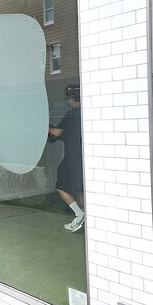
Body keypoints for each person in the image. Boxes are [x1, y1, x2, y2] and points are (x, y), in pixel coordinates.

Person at [48, 84, 84, 232]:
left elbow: (56, 133)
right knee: (80, 189)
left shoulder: (73, 114)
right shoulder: (86, 112)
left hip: (72, 157)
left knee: (61, 186)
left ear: (74, 98)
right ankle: (86, 216)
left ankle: (79, 215)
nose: (67, 102)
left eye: (68, 98)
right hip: (84, 157)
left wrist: (44, 125)